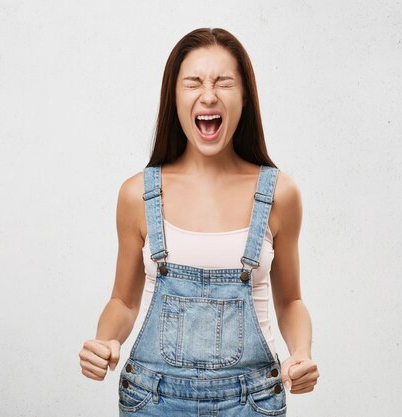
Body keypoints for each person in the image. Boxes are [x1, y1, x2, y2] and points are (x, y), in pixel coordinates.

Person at [78, 27, 320, 416]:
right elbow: (123, 300)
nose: (208, 94)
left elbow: (290, 300)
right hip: (153, 400)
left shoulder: (280, 195)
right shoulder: (137, 194)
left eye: (224, 82)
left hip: (251, 402)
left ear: (244, 98)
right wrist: (106, 341)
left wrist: (301, 354)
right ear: (174, 98)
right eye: (193, 82)